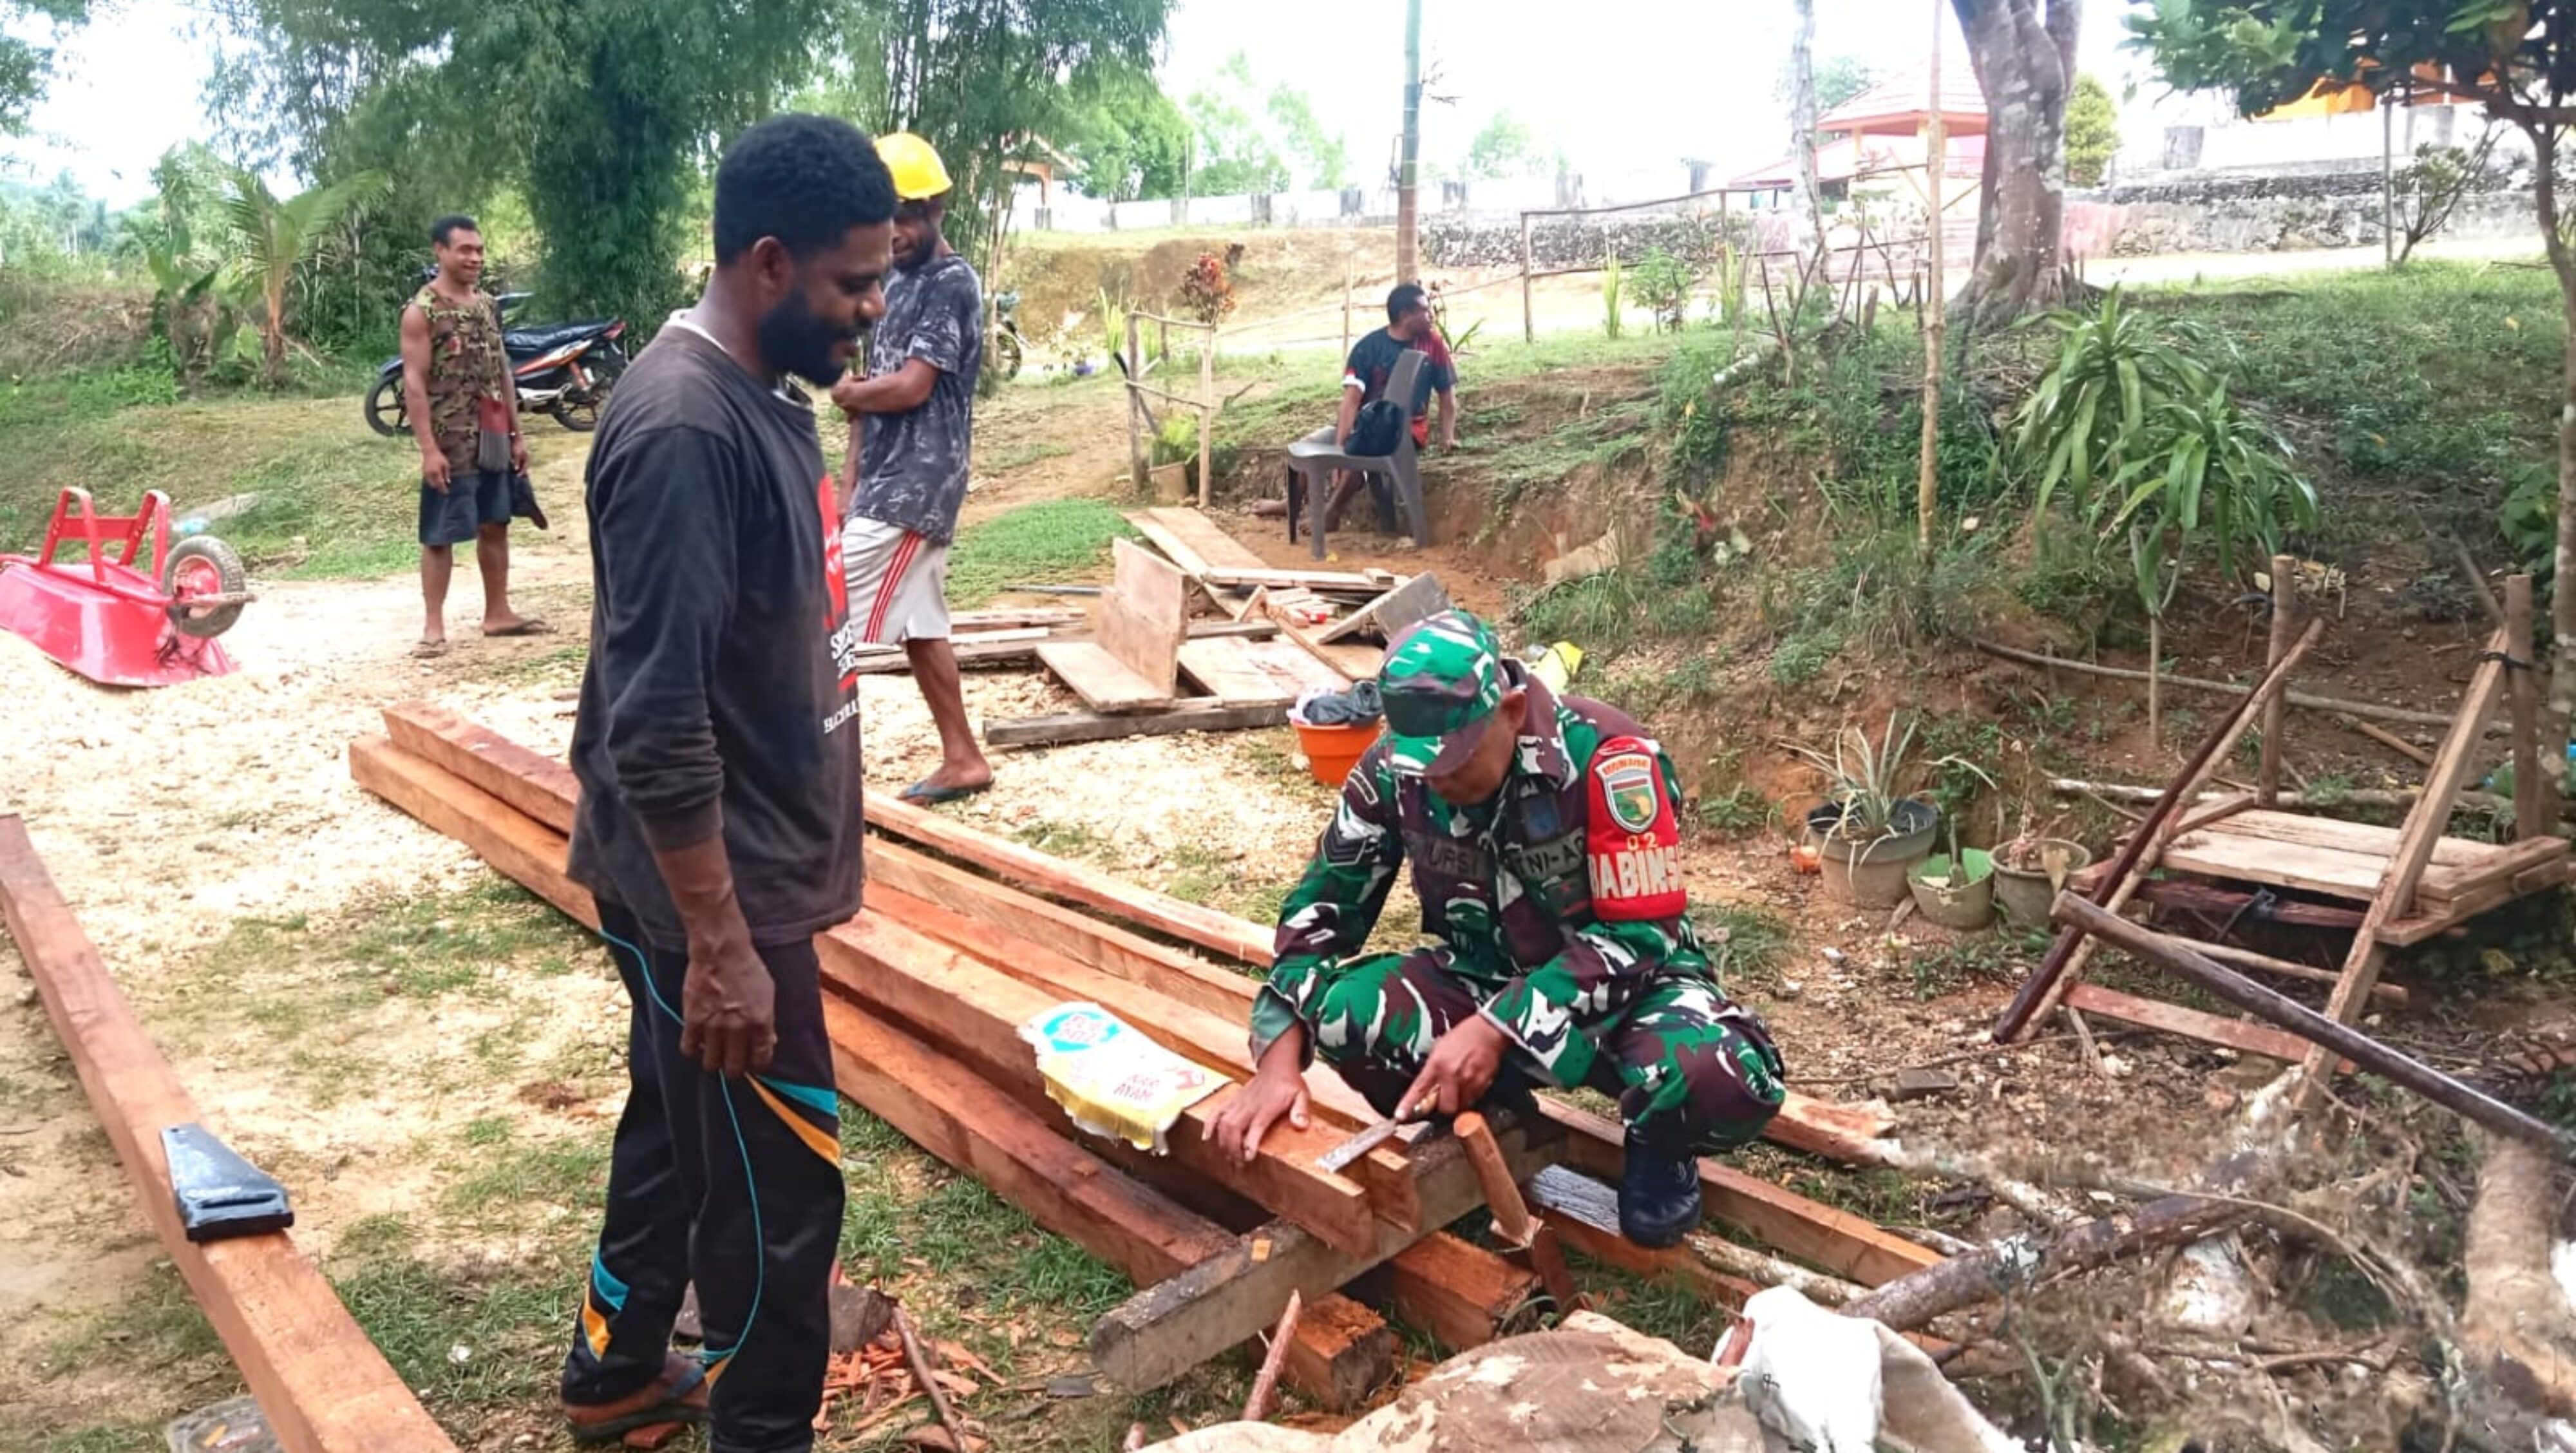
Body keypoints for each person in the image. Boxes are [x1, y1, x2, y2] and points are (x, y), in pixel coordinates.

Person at [557, 114, 895, 1452]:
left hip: (736, 879)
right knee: (775, 1187)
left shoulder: (759, 394)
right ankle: (762, 1435)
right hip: (722, 899)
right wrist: (719, 946)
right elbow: (655, 717)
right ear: (767, 262)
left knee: (674, 1128)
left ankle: (617, 1371)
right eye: (851, 283)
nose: (872, 309)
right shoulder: (686, 427)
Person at [1208, 611, 1786, 1249]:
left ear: (1511, 711)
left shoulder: (1609, 759)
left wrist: (1495, 1026)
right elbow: (1321, 912)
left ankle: (1659, 1145)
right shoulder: (1393, 770)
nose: (1439, 783)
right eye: (1424, 767)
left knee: (1718, 1074)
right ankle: (1492, 1110)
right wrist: (1278, 1061)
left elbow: (1640, 937)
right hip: (1482, 977)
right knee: (1345, 1014)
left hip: (1626, 995)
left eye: (1455, 763)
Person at [833, 131, 991, 804]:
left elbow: (910, 386)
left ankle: (805, 782)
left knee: (821, 618)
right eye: (881, 217)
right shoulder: (892, 281)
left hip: (915, 489)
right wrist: (848, 480)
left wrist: (847, 392)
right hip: (883, 480)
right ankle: (964, 759)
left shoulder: (951, 284)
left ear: (935, 212)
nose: (892, 232)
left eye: (904, 216)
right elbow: (875, 388)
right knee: (923, 628)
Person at [403, 213, 544, 658]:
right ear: (440, 251)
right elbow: (413, 382)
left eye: (479, 250)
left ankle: (498, 613)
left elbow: (502, 370)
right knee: (440, 533)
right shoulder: (421, 311)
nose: (475, 258)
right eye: (465, 249)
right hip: (449, 438)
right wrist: (428, 449)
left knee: (496, 522)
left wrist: (517, 435)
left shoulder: (486, 305)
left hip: (493, 432)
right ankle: (433, 627)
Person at [1322, 282, 1459, 531]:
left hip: (1409, 428)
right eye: (1425, 311)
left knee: (1361, 447)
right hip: (1365, 424)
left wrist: (1448, 436)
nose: (1431, 316)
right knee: (1315, 443)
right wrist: (1339, 447)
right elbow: (1351, 401)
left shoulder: (1433, 344)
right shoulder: (1369, 348)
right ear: (1405, 315)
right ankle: (1289, 506)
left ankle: (1332, 512)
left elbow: (1447, 397)